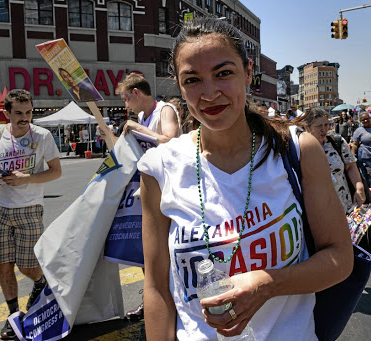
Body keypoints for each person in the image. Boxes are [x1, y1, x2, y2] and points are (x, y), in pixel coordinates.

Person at [138, 17, 352, 340]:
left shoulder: (297, 150)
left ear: (248, 72)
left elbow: (340, 257)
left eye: (223, 73)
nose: (209, 93)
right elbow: (156, 289)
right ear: (179, 87)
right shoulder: (159, 168)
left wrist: (269, 284)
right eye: (193, 80)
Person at [0, 89, 61, 340]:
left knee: (27, 266)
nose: (25, 118)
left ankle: (41, 281)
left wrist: (28, 178)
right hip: (0, 207)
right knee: (4, 265)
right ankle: (13, 316)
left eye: (28, 112)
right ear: (7, 113)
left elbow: (56, 172)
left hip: (29, 208)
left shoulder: (43, 135)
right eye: (18, 113)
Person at [101, 73, 181, 321]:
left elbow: (171, 140)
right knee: (148, 253)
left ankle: (172, 304)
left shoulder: (164, 110)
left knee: (166, 252)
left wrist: (138, 128)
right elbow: (128, 153)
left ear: (137, 93)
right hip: (146, 191)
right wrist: (108, 136)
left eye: (126, 99)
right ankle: (153, 303)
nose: (126, 105)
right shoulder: (142, 117)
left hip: (169, 190)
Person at [303, 108, 366, 212]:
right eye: (319, 126)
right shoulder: (301, 149)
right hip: (319, 210)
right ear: (307, 127)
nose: (324, 129)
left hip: (344, 204)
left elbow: (351, 165)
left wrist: (359, 187)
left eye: (326, 125)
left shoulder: (337, 142)